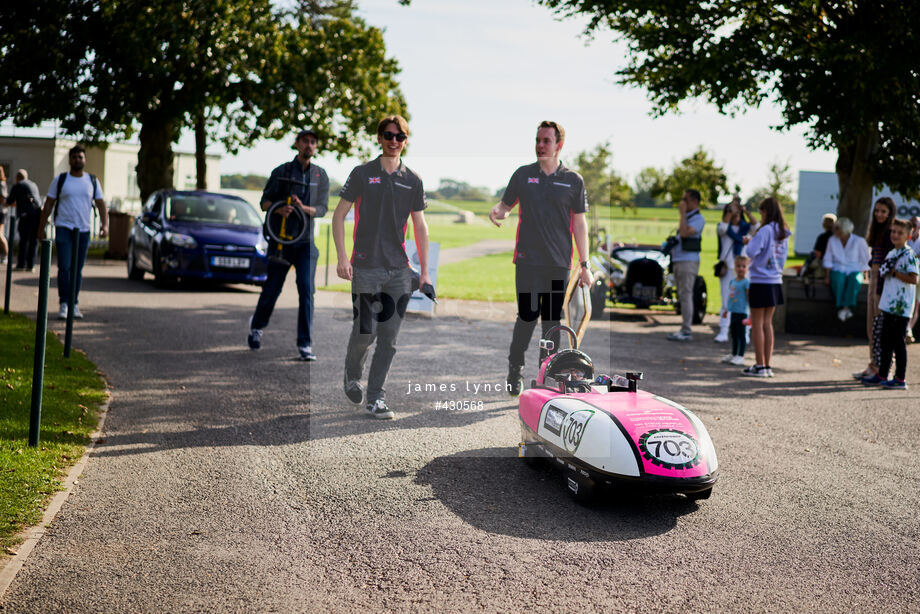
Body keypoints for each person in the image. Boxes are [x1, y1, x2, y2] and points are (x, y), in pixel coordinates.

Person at [333, 115, 431, 420]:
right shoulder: (362, 173)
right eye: (388, 135)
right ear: (379, 138)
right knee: (366, 331)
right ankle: (352, 374)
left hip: (399, 271)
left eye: (400, 136)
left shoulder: (412, 179)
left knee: (388, 338)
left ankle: (375, 397)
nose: (394, 140)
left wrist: (424, 272)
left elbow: (420, 225)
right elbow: (339, 216)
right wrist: (342, 257)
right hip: (365, 266)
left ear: (405, 140)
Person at [488, 120, 592, 395]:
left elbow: (580, 224)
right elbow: (505, 205)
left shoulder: (573, 180)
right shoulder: (523, 175)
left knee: (551, 321)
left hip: (559, 262)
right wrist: (498, 212)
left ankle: (545, 372)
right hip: (527, 259)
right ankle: (515, 368)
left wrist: (585, 265)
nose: (540, 145)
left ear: (559, 145)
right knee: (527, 315)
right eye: (538, 140)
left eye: (546, 140)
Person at [247, 129, 329, 361]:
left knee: (307, 291)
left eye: (313, 142)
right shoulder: (281, 171)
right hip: (281, 242)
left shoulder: (321, 176)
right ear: (297, 144)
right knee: (272, 289)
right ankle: (257, 327)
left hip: (305, 244)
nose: (309, 146)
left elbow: (322, 209)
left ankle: (305, 344)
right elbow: (264, 203)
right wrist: (279, 208)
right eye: (305, 141)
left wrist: (304, 209)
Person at [38, 145, 108, 320]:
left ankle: (74, 303)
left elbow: (101, 204)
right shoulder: (61, 180)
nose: (77, 159)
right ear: (69, 160)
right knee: (65, 267)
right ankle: (64, 303)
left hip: (83, 230)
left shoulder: (92, 181)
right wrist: (41, 228)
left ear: (84, 160)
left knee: (77, 269)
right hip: (63, 227)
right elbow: (48, 204)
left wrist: (104, 225)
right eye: (74, 157)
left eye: (80, 157)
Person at [860, 219, 918, 390]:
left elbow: (914, 279)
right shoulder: (892, 253)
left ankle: (900, 378)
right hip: (888, 304)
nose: (895, 235)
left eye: (900, 233)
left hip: (901, 307)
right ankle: (882, 374)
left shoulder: (909, 255)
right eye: (893, 232)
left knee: (898, 343)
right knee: (885, 341)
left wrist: (895, 273)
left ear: (908, 236)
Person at [741, 197, 790, 378]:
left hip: (761, 280)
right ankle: (767, 365)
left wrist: (749, 241)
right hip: (775, 280)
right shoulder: (783, 230)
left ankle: (760, 364)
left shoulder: (766, 230)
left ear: (766, 212)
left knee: (757, 323)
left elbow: (752, 252)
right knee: (767, 323)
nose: (760, 216)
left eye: (761, 212)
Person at [854, 197, 895, 380]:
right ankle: (873, 365)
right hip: (873, 276)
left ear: (890, 213)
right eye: (877, 211)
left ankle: (882, 368)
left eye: (883, 211)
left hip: (883, 282)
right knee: (871, 327)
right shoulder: (876, 230)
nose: (879, 214)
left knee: (880, 327)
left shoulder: (890, 233)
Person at [666, 188, 705, 342]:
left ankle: (686, 330)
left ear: (694, 201)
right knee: (682, 295)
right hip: (679, 260)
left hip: (688, 261)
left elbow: (684, 233)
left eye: (685, 200)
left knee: (686, 294)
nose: (682, 203)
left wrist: (682, 214)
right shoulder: (689, 216)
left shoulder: (698, 218)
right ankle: (684, 328)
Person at [715, 196, 752, 342]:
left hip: (743, 270)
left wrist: (746, 211)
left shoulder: (746, 228)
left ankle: (745, 331)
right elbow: (723, 227)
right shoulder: (724, 227)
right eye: (731, 209)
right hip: (729, 268)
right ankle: (724, 329)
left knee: (745, 302)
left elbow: (756, 225)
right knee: (726, 300)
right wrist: (730, 210)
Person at [821, 217, 869, 322]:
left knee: (855, 280)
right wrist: (827, 276)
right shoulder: (832, 240)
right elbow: (828, 258)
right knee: (838, 280)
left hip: (854, 269)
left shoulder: (859, 241)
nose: (836, 231)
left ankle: (845, 308)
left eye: (838, 228)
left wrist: (864, 274)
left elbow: (865, 259)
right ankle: (844, 307)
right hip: (837, 268)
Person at [6, 169, 43, 271]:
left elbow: (10, 200)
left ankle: (21, 265)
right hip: (37, 215)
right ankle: (31, 265)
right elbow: (32, 199)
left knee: (24, 240)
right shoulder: (33, 185)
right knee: (33, 241)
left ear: (18, 177)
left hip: (25, 216)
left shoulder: (19, 185)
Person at [720, 255, 751, 366]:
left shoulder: (746, 282)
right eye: (738, 266)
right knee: (733, 333)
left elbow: (748, 298)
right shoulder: (733, 281)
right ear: (735, 267)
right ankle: (734, 353)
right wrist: (727, 309)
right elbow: (730, 297)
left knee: (741, 334)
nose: (741, 269)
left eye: (744, 266)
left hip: (742, 313)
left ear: (747, 268)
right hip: (733, 311)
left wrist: (750, 313)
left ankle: (740, 356)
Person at [799, 213, 836, 278]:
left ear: (823, 224)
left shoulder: (822, 237)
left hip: (823, 265)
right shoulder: (836, 238)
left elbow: (818, 253)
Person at [907, 216, 920, 342]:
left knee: (915, 304)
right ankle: (907, 330)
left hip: (917, 277)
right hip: (908, 277)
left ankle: (909, 329)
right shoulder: (906, 240)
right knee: (909, 303)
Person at [0, 167, 7, 266]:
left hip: (0, 212)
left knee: (0, 235)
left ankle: (6, 255)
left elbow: (2, 199)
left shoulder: (1, 184)